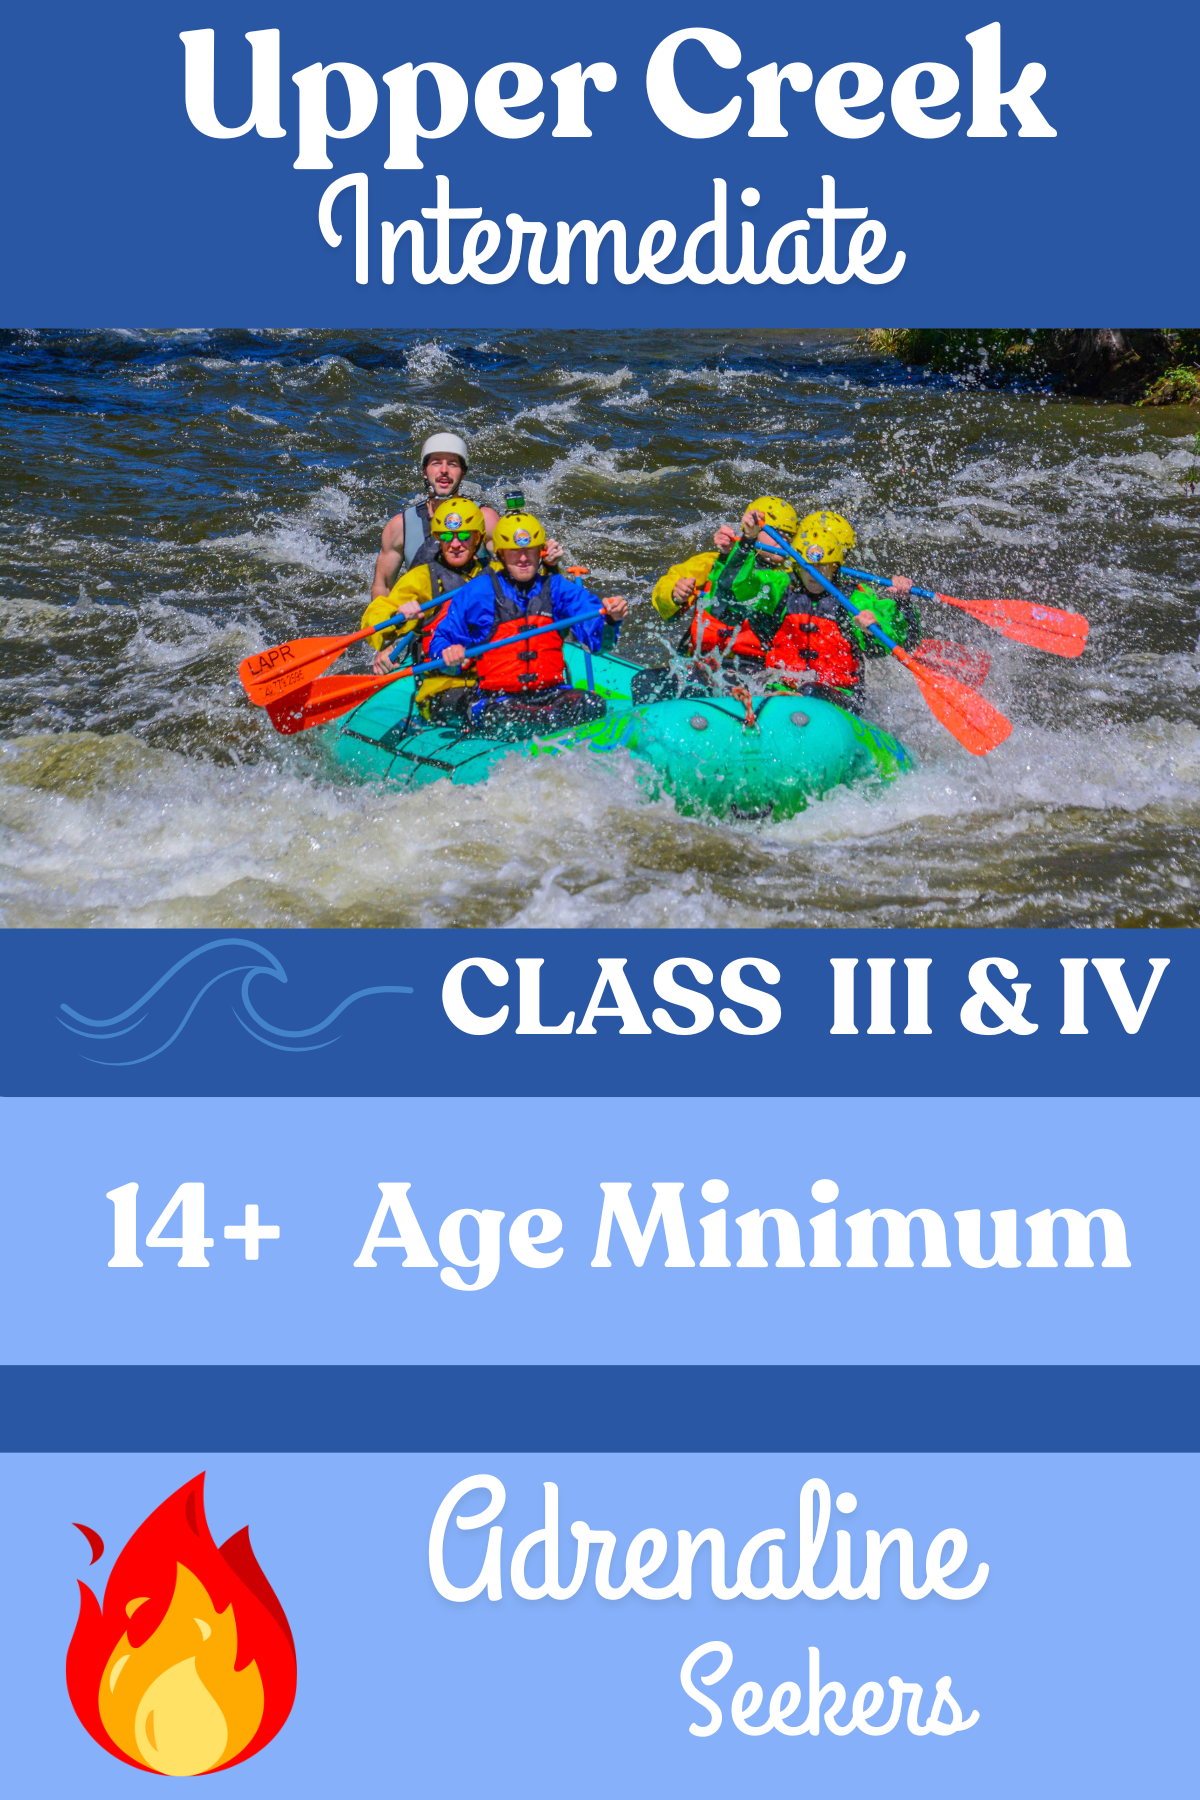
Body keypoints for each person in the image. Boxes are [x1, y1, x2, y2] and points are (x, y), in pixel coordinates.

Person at [646, 500, 917, 708]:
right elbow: (730, 589)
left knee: (805, 692)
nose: (813, 574)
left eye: (789, 535)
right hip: (743, 674)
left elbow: (891, 643)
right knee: (651, 681)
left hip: (810, 689)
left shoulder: (855, 597)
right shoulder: (778, 584)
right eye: (778, 533)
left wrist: (882, 621)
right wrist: (675, 593)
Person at [427, 510, 628, 738]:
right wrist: (448, 656)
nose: (523, 559)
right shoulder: (478, 592)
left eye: (529, 550)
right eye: (515, 551)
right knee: (518, 719)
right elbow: (440, 643)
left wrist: (611, 620)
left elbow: (599, 644)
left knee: (593, 704)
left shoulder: (558, 588)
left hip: (551, 694)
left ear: (540, 552)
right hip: (498, 700)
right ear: (501, 554)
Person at [359, 497, 491, 722]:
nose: (455, 544)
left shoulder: (494, 574)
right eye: (447, 536)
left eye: (464, 535)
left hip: (491, 675)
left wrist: (549, 565)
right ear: (439, 540)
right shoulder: (422, 578)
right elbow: (375, 613)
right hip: (442, 684)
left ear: (478, 538)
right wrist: (397, 616)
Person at [369, 432, 500, 601]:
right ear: (424, 471)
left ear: (463, 473)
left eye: (452, 464)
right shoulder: (401, 527)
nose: (444, 470)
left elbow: (510, 567)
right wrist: (384, 619)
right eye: (436, 463)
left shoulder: (486, 519)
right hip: (426, 617)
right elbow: (383, 586)